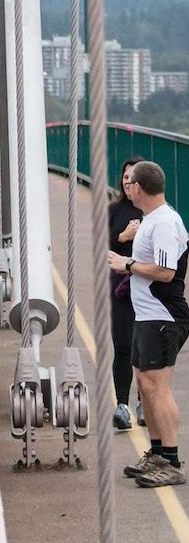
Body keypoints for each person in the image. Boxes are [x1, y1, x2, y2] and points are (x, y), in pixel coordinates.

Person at [108, 161, 189, 488]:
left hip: (163, 316)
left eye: (131, 184)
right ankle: (156, 454)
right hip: (147, 315)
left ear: (138, 188)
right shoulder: (152, 220)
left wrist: (126, 263)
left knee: (158, 388)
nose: (128, 188)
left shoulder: (165, 222)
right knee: (145, 383)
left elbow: (166, 272)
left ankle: (170, 460)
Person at [109, 157, 147, 430]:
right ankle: (122, 405)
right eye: (125, 177)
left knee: (145, 347)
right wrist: (123, 237)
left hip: (148, 286)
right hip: (120, 286)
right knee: (123, 345)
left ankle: (143, 402)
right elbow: (105, 242)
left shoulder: (154, 212)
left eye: (133, 177)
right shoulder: (114, 210)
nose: (128, 182)